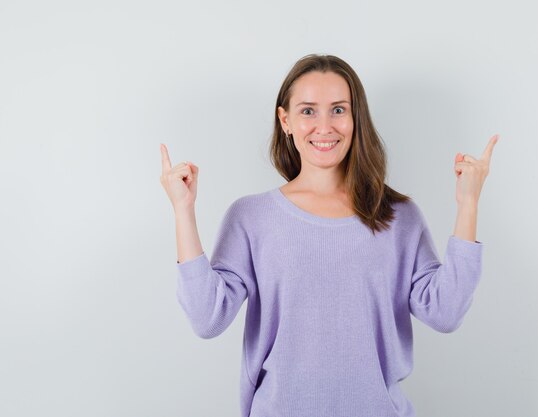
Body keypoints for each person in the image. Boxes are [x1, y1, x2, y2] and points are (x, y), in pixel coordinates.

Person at [160, 54, 498, 417]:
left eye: (338, 110)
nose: (325, 126)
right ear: (285, 120)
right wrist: (183, 210)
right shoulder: (250, 217)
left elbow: (445, 313)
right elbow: (207, 317)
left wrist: (468, 204)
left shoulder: (398, 216)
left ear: (356, 119)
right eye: (308, 111)